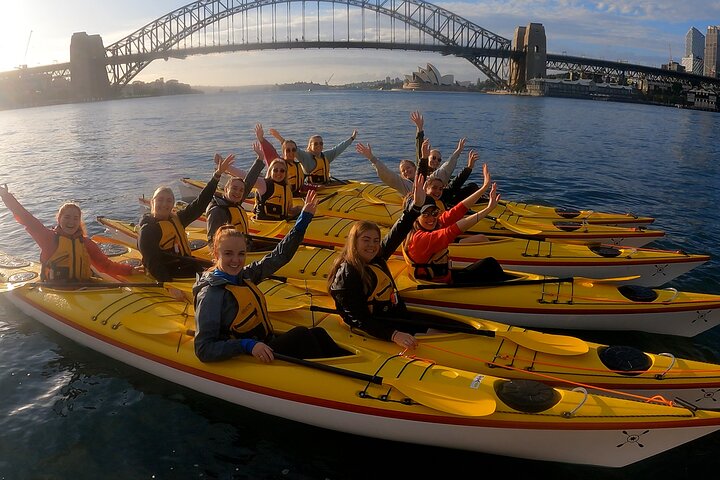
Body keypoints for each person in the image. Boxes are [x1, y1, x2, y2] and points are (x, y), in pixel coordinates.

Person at [193, 190, 346, 363]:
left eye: (241, 254)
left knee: (318, 333)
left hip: (265, 344)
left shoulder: (244, 276)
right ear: (215, 253)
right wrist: (246, 345)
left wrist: (303, 220)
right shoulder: (211, 295)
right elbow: (203, 349)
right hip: (248, 354)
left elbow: (278, 257)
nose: (236, 260)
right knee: (301, 334)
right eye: (228, 254)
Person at [327, 175, 427, 350]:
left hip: (393, 315)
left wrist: (416, 206)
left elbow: (397, 232)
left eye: (375, 240)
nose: (372, 245)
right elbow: (360, 319)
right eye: (366, 240)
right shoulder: (346, 275)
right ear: (354, 241)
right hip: (377, 328)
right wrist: (394, 335)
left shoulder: (376, 257)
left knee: (433, 328)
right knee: (430, 332)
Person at [0, 184, 144, 281]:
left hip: (84, 287)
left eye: (75, 218)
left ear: (79, 221)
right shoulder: (48, 238)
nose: (71, 221)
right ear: (59, 219)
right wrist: (7, 197)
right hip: (54, 289)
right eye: (67, 217)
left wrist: (130, 270)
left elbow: (105, 266)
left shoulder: (86, 243)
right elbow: (26, 219)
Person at [138, 154, 234, 282]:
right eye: (160, 200)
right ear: (152, 203)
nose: (164, 204)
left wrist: (216, 176)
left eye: (168, 201)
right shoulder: (148, 230)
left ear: (172, 205)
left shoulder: (177, 219)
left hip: (186, 266)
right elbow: (152, 262)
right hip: (171, 275)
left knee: (226, 271)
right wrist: (169, 286)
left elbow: (199, 205)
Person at [402, 178, 507, 285]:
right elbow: (453, 230)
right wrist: (487, 211)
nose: (431, 218)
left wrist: (483, 188)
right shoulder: (419, 239)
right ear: (415, 217)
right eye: (425, 214)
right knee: (490, 264)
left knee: (488, 264)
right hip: (440, 287)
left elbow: (457, 211)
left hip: (447, 278)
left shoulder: (428, 225)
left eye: (434, 213)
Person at [205, 143, 265, 246]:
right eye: (234, 188)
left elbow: (250, 181)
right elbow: (213, 242)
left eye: (241, 190)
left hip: (244, 244)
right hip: (233, 252)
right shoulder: (218, 211)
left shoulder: (235, 202)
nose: (238, 192)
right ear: (226, 189)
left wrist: (260, 159)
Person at [273, 128, 358, 184]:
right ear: (310, 146)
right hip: (313, 189)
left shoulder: (326, 156)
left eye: (321, 143)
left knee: (348, 183)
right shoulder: (305, 157)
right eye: (316, 143)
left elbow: (338, 148)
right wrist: (280, 139)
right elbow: (291, 147)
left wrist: (352, 138)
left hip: (326, 186)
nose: (319, 145)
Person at [411, 110, 465, 184]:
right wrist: (419, 128)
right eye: (433, 158)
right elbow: (420, 150)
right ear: (428, 157)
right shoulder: (421, 167)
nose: (436, 161)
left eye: (439, 160)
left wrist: (458, 151)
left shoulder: (439, 174)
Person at [256, 124, 305, 195]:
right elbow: (270, 151)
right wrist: (261, 139)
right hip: (281, 197)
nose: (291, 152)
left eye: (293, 150)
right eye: (288, 150)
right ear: (283, 152)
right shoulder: (280, 164)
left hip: (296, 195)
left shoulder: (298, 165)